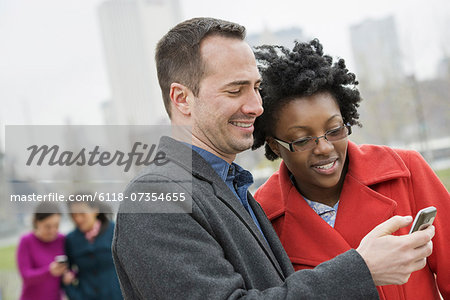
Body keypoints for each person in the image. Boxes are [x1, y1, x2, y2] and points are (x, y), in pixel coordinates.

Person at [112, 17, 435, 299]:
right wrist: (362, 270)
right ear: (182, 98)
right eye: (236, 90)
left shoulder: (234, 193)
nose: (256, 106)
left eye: (256, 88)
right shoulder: (156, 197)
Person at [252, 39, 450, 299]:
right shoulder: (263, 216)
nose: (324, 148)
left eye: (334, 130)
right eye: (301, 140)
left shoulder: (406, 171)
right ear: (275, 147)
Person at [63, 199, 123, 300]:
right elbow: (66, 273)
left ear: (95, 210)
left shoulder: (115, 231)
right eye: (73, 215)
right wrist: (74, 295)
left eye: (82, 214)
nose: (78, 219)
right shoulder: (70, 239)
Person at [16, 202, 66, 300]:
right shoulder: (26, 241)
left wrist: (69, 273)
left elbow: (71, 267)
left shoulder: (61, 239)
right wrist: (49, 271)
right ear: (36, 222)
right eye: (47, 226)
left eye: (56, 225)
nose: (52, 231)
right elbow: (26, 276)